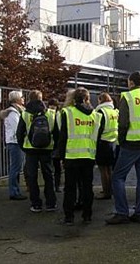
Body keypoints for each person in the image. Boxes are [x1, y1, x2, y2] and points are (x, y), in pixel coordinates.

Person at [106, 71, 140, 225]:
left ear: (130, 82)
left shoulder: (127, 97)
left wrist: (121, 140)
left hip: (130, 143)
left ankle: (122, 212)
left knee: (118, 177)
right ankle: (139, 212)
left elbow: (122, 123)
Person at [58, 88, 101, 225]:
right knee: (87, 187)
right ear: (88, 98)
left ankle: (69, 217)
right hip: (89, 155)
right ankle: (87, 215)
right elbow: (97, 137)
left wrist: (61, 156)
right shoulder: (95, 115)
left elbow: (63, 136)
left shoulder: (68, 113)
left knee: (70, 188)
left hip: (71, 156)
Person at [16, 90, 58, 213]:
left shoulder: (24, 114)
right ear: (41, 98)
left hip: (30, 149)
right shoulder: (51, 113)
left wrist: (23, 146)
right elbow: (56, 133)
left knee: (32, 177)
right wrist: (53, 147)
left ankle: (36, 204)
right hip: (47, 149)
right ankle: (51, 203)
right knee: (48, 176)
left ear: (29, 99)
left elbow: (19, 133)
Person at [0, 90, 27, 201]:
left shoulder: (15, 111)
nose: (23, 99)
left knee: (16, 167)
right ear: (17, 99)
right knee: (15, 168)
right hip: (15, 142)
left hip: (14, 142)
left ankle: (16, 191)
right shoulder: (13, 113)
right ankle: (14, 192)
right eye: (22, 97)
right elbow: (18, 128)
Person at [95, 92, 118, 200]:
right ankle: (110, 189)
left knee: (103, 169)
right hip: (112, 141)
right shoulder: (114, 111)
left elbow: (99, 128)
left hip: (102, 142)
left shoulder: (101, 111)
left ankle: (106, 192)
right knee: (109, 169)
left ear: (100, 100)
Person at [48, 98, 62, 193]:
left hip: (50, 144)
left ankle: (53, 186)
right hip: (56, 144)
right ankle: (56, 186)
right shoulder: (59, 115)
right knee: (57, 167)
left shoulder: (46, 114)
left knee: (52, 167)